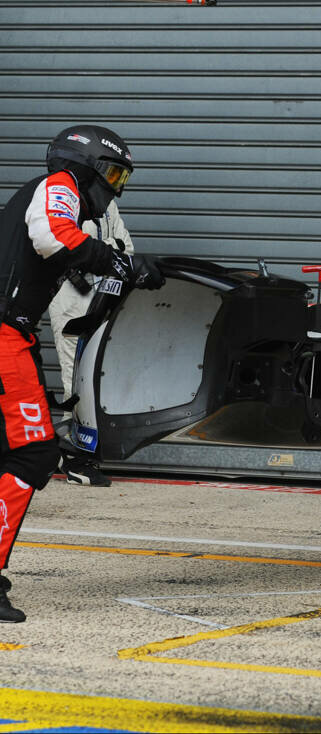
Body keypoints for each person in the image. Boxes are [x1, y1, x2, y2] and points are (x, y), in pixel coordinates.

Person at [0, 124, 164, 621]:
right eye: (112, 172)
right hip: (4, 335)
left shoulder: (57, 193)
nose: (115, 185)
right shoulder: (58, 186)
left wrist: (122, 266)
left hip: (12, 332)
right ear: (85, 164)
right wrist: (121, 261)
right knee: (32, 454)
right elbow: (54, 237)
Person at [48, 200, 134, 486]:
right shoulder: (63, 199)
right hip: (71, 294)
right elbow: (62, 249)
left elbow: (126, 246)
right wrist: (105, 250)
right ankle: (75, 459)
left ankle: (71, 450)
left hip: (105, 294)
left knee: (97, 376)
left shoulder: (107, 203)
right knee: (75, 375)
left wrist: (101, 250)